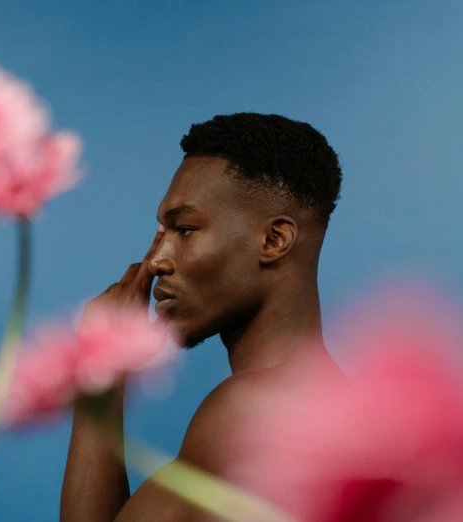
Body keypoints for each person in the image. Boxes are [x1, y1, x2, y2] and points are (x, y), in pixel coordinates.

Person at [60, 112, 344, 522]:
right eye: (162, 233)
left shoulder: (251, 409)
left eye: (186, 229)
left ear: (274, 240)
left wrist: (98, 368)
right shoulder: (331, 402)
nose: (156, 261)